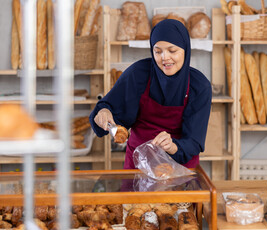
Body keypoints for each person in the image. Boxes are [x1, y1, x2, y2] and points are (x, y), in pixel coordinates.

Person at [89, 19, 212, 169]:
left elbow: (194, 141)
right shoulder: (138, 74)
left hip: (180, 169)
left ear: (185, 49)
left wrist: (172, 146)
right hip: (139, 166)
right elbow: (108, 106)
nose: (164, 58)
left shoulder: (199, 86)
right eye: (157, 51)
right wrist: (104, 112)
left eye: (172, 51)